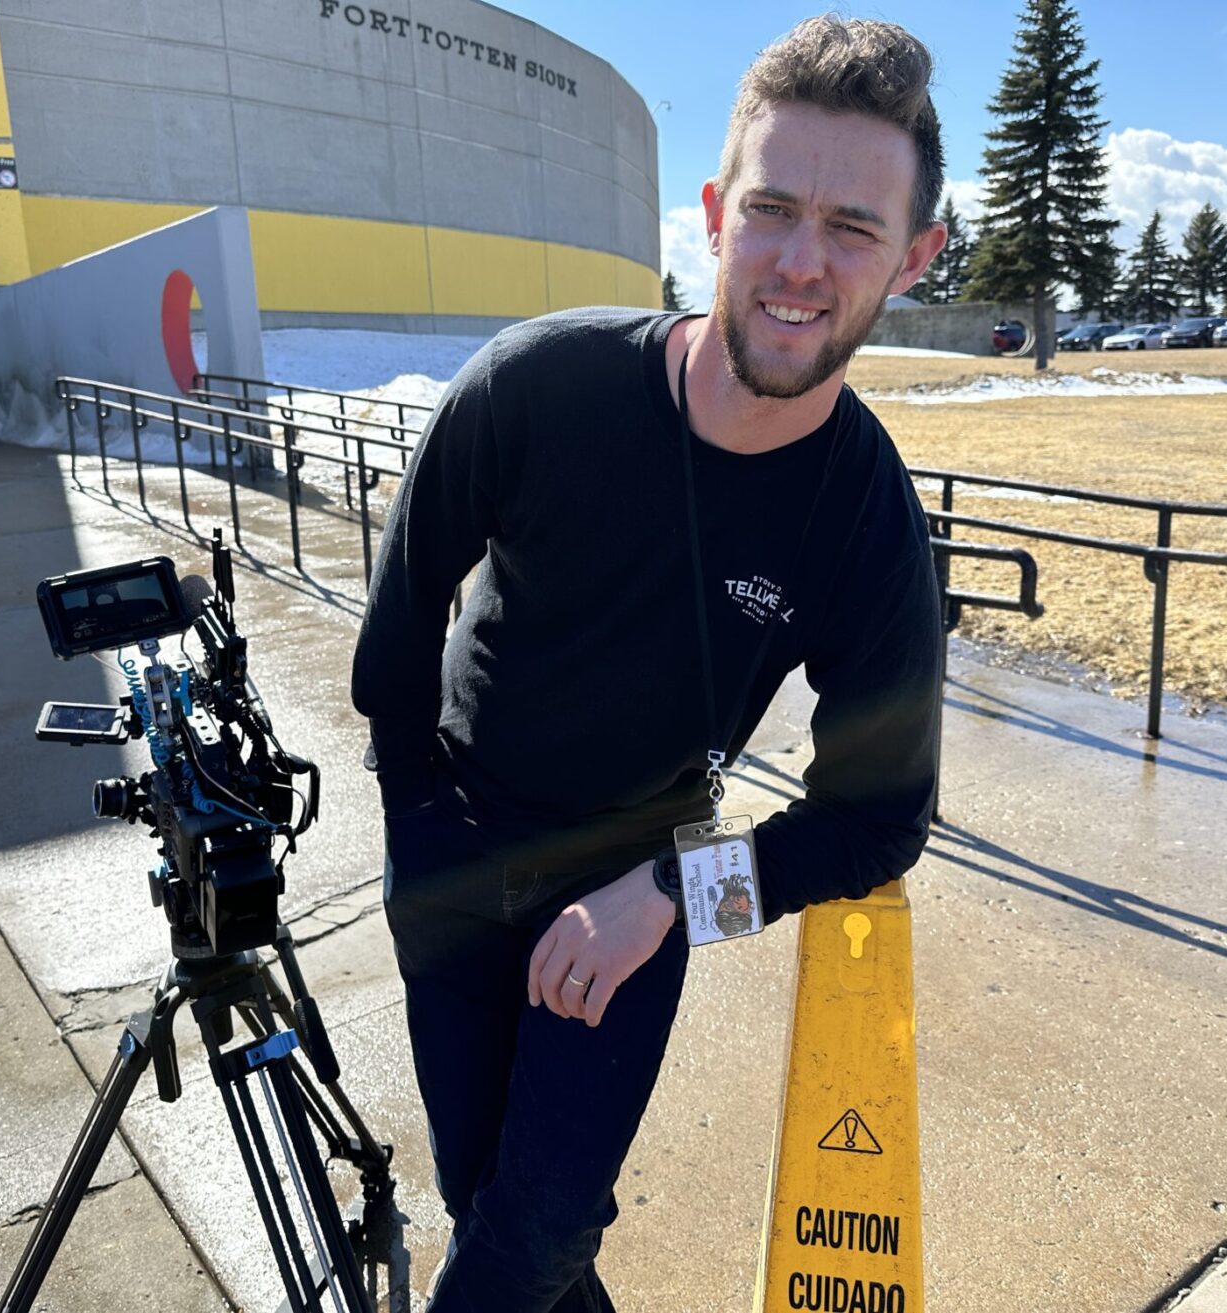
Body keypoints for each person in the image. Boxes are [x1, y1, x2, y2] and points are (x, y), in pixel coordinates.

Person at [350, 15, 949, 1311]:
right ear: (710, 213)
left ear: (913, 257)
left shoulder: (861, 520)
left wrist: (679, 889)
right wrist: (416, 824)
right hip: (457, 847)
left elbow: (879, 816)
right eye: (771, 208)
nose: (800, 262)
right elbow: (398, 624)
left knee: (540, 1220)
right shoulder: (537, 385)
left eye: (851, 227)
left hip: (641, 878)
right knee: (495, 1211)